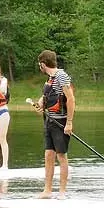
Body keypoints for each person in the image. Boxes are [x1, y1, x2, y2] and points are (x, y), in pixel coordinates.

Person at [32, 49, 76, 198]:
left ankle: (62, 191)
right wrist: (40, 103)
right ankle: (47, 190)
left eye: (40, 64)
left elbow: (70, 99)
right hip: (49, 121)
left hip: (61, 122)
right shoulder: (50, 79)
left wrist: (69, 123)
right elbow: (48, 95)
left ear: (43, 64)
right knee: (48, 155)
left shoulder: (61, 76)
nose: (40, 67)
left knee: (61, 156)